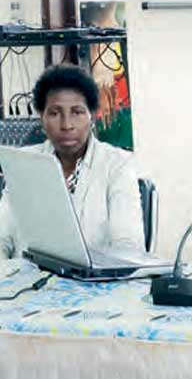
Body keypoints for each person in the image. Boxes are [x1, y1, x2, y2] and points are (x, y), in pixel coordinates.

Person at [0, 65, 144, 258]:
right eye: (54, 113)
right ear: (41, 118)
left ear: (92, 116)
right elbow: (2, 238)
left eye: (77, 112)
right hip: (26, 283)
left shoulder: (117, 165)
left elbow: (128, 246)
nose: (67, 125)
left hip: (93, 285)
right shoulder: (23, 163)